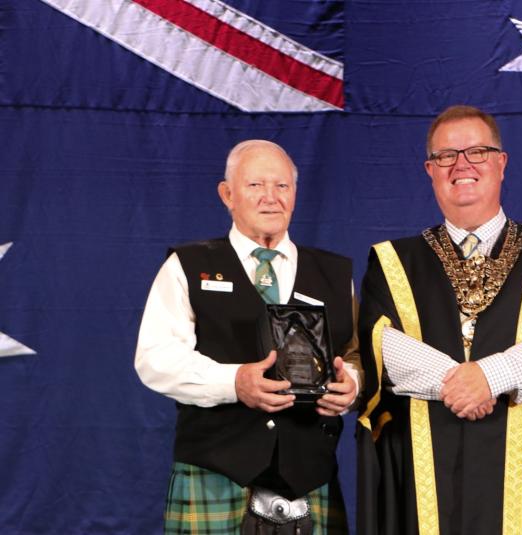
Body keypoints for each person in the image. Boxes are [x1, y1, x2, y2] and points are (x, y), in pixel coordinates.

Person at [356, 106, 522, 534]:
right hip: (421, 476)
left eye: (477, 151)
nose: (461, 165)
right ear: (430, 170)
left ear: (501, 162)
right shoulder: (393, 262)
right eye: (446, 156)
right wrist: (461, 383)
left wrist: (492, 376)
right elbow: (381, 346)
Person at [135, 140, 360, 534]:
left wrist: (351, 385)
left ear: (295, 194)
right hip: (215, 475)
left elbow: (354, 355)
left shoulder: (335, 274)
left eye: (282, 186)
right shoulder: (188, 265)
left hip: (310, 475)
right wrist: (234, 382)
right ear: (228, 194)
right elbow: (156, 358)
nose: (270, 198)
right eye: (256, 185)